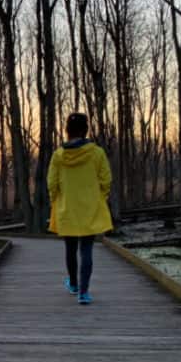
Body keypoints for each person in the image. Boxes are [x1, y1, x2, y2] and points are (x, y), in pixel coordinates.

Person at [46, 113, 113, 305]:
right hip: (90, 208)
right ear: (85, 131)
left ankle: (73, 284)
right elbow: (106, 179)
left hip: (66, 208)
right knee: (86, 249)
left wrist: (55, 201)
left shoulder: (58, 155)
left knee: (70, 248)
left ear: (67, 131)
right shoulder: (97, 153)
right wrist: (100, 198)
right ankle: (83, 292)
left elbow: (52, 183)